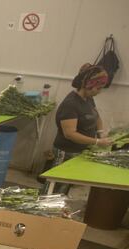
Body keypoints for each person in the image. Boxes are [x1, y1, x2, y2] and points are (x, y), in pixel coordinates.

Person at [50, 64, 112, 194]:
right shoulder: (71, 104)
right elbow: (70, 134)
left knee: (66, 185)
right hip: (66, 152)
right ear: (88, 85)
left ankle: (59, 207)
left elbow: (96, 116)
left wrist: (100, 133)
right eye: (98, 87)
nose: (99, 91)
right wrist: (97, 142)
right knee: (57, 185)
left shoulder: (88, 98)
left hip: (79, 150)